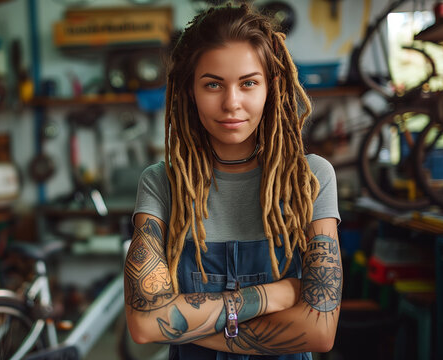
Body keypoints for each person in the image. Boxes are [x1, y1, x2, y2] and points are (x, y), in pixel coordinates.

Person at [124, 3, 342, 359]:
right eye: (213, 85)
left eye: (248, 83)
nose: (231, 103)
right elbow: (145, 324)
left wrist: (185, 327)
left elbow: (319, 332)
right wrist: (276, 295)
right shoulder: (161, 183)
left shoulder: (311, 178)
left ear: (270, 87)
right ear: (189, 91)